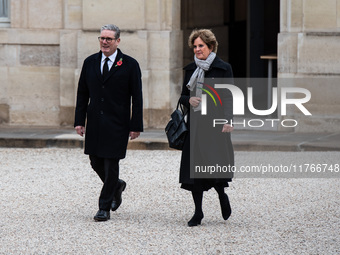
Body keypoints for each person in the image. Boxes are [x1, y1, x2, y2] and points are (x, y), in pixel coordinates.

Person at [74, 24, 143, 221]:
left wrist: (135, 124)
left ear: (117, 41)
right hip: (95, 121)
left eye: (108, 39)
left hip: (117, 123)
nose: (104, 42)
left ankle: (104, 207)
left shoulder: (130, 64)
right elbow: (82, 93)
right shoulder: (90, 62)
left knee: (111, 163)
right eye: (102, 38)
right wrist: (79, 121)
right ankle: (117, 185)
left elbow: (137, 97)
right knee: (95, 161)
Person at [179, 29, 234, 227]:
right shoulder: (190, 69)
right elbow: (181, 97)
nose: (197, 49)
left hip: (215, 126)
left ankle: (221, 194)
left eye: (201, 45)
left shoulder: (223, 68)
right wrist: (189, 99)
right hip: (195, 127)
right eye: (195, 46)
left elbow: (228, 97)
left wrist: (229, 121)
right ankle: (198, 212)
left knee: (214, 167)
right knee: (194, 173)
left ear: (211, 47)